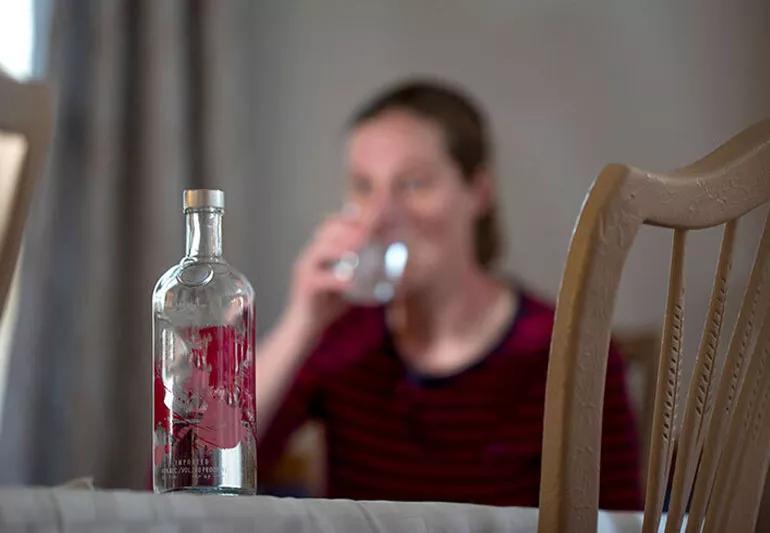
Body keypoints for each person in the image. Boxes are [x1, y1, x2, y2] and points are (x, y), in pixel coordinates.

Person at [256, 79, 642, 508]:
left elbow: (616, 519)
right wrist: (300, 321)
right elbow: (219, 471)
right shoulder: (340, 338)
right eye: (364, 187)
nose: (380, 216)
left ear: (478, 191)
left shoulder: (565, 354)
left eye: (414, 184)